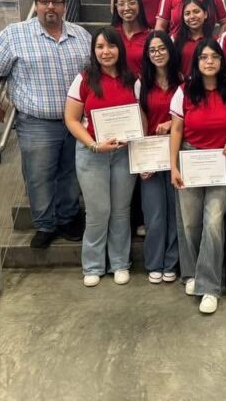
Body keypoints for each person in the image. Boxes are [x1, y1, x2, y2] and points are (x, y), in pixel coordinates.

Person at [0, 0, 91, 249]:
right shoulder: (14, 35)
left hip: (75, 122)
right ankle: (45, 225)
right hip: (36, 123)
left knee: (70, 173)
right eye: (44, 2)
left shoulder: (81, 36)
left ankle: (67, 217)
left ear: (64, 6)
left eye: (56, 2)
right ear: (36, 5)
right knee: (38, 176)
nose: (50, 6)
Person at [170, 39, 226, 314]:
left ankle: (209, 287)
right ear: (197, 62)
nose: (209, 61)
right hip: (190, 158)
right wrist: (173, 166)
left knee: (213, 222)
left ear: (222, 61)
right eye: (204, 57)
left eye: (214, 56)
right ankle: (191, 273)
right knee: (190, 223)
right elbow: (176, 130)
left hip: (219, 161)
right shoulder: (184, 91)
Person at [64, 26, 143, 288]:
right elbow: (71, 119)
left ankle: (120, 263)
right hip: (92, 154)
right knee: (98, 211)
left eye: (111, 46)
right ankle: (93, 265)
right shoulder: (84, 79)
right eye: (100, 47)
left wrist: (135, 133)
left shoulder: (133, 79)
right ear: (93, 50)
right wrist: (94, 145)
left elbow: (141, 116)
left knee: (120, 211)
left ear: (120, 49)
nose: (105, 52)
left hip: (123, 153)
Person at [135, 31, 183, 283]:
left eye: (162, 48)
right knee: (154, 213)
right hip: (151, 153)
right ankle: (155, 262)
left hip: (177, 152)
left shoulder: (183, 81)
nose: (157, 54)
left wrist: (170, 123)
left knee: (176, 212)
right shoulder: (141, 83)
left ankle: (171, 263)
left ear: (170, 50)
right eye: (152, 50)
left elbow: (189, 116)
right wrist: (142, 160)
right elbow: (140, 124)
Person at [112, 0, 151, 78]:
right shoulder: (111, 35)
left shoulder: (151, 36)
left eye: (131, 3)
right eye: (121, 4)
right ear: (116, 7)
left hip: (143, 85)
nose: (127, 8)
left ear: (139, 4)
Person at [174, 0, 213, 78]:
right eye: (187, 14)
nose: (192, 16)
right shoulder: (176, 40)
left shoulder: (216, 40)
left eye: (196, 12)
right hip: (184, 84)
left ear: (205, 14)